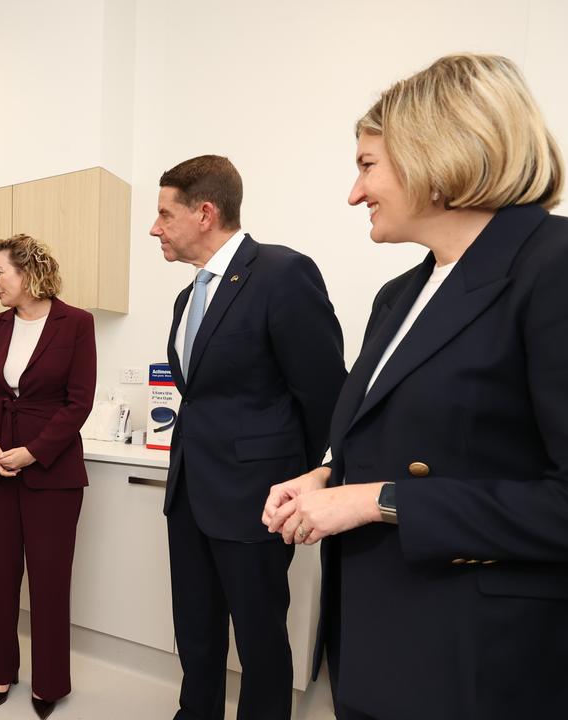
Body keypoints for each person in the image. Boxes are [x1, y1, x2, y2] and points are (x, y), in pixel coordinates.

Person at [263, 53, 568, 720]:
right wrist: (325, 476)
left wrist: (379, 501)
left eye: (367, 165)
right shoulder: (397, 295)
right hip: (380, 643)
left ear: (438, 155)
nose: (353, 192)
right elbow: (404, 439)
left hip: (488, 666)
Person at [151, 156, 346, 720]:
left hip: (256, 499)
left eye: (165, 214)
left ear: (204, 213)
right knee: (196, 630)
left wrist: (295, 481)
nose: (155, 228)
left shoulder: (283, 274)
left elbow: (324, 395)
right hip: (189, 493)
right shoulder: (186, 299)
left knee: (260, 640)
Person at [0, 234, 96, 719]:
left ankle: (49, 683)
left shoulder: (76, 323)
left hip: (52, 468)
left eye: (0, 271)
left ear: (28, 272)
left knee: (49, 578)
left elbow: (79, 401)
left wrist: (34, 453)